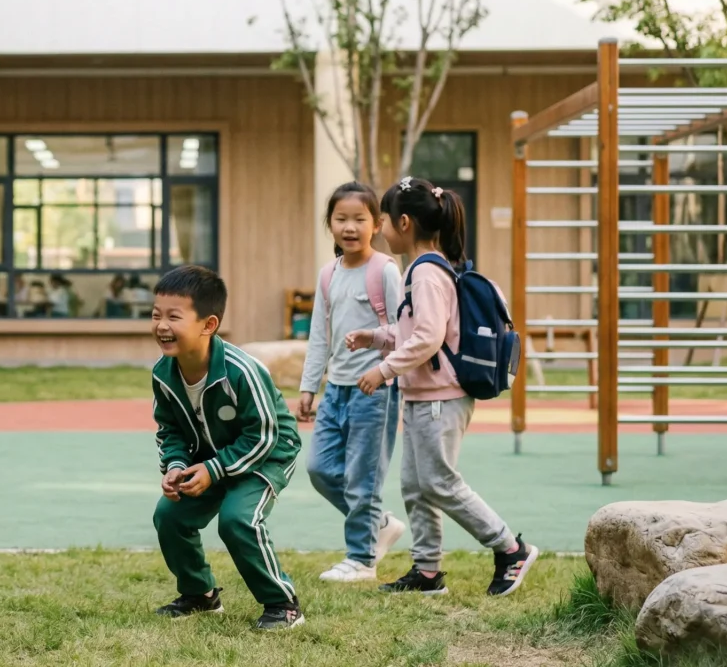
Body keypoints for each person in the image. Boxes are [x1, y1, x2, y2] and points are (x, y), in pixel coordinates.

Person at [345, 176, 539, 597]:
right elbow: (415, 328)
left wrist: (385, 370)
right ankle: (428, 572)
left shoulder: (427, 272)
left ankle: (510, 548)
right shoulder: (422, 269)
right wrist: (376, 337)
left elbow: (429, 338)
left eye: (383, 222)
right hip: (422, 397)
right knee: (416, 486)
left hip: (441, 397)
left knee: (440, 483)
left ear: (404, 223)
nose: (380, 230)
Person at [149, 265, 306, 630]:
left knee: (238, 520)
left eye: (174, 316)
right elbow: (169, 428)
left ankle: (283, 605)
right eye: (156, 315)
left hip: (268, 454)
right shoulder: (163, 372)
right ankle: (200, 595)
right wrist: (175, 465)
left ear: (209, 324)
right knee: (170, 517)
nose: (161, 325)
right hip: (213, 456)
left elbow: (264, 436)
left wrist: (214, 469)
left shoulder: (242, 371)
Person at [298, 182, 406, 583]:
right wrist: (310, 387)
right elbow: (319, 337)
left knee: (364, 479)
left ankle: (361, 560)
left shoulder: (385, 272)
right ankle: (379, 524)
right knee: (321, 469)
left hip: (374, 391)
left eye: (359, 219)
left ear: (376, 224)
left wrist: (381, 362)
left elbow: (405, 331)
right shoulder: (328, 275)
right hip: (335, 391)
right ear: (330, 224)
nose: (350, 227)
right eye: (341, 219)